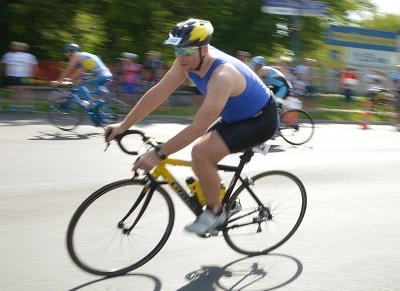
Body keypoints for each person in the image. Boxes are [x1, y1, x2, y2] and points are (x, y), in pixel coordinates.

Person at [105, 18, 279, 236]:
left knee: (201, 152)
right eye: (177, 51)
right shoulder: (188, 61)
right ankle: (224, 198)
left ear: (204, 49)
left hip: (260, 120)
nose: (180, 57)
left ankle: (216, 213)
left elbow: (198, 127)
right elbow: (159, 92)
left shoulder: (222, 75)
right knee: (200, 159)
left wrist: (158, 154)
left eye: (186, 52)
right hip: (235, 115)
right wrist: (124, 125)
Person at [56, 43, 114, 113]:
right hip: (107, 74)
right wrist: (71, 79)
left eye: (66, 53)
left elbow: (67, 70)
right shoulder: (85, 56)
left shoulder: (75, 56)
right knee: (94, 95)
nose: (67, 56)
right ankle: (96, 111)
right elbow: (81, 71)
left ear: (70, 51)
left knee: (78, 82)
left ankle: (88, 103)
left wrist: (58, 81)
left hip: (99, 74)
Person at [1, 41, 38, 110]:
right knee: (13, 90)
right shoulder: (7, 55)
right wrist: (5, 74)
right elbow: (3, 66)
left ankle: (29, 106)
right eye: (16, 46)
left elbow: (35, 67)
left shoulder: (30, 56)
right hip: (12, 76)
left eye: (21, 46)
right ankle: (14, 106)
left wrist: (32, 76)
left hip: (25, 76)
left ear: (25, 48)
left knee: (27, 91)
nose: (19, 47)